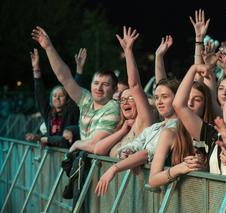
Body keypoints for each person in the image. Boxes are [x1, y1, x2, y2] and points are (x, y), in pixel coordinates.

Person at [31, 26, 120, 151]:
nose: (99, 88)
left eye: (105, 85)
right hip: (83, 163)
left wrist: (77, 144)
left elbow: (95, 144)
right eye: (96, 83)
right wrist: (48, 48)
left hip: (99, 167)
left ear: (114, 89)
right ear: (91, 85)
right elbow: (65, 78)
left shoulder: (112, 107)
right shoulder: (87, 100)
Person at [95, 77, 179, 196]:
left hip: (174, 194)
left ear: (177, 99)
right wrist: (128, 154)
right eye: (157, 97)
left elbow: (147, 153)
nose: (159, 102)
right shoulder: (154, 128)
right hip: (154, 196)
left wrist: (114, 168)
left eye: (165, 97)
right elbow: (132, 145)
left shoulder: (178, 127)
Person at [93, 26, 153, 157]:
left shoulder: (145, 122)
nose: (125, 101)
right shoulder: (120, 127)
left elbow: (135, 85)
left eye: (131, 98)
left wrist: (128, 51)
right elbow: (98, 150)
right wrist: (123, 130)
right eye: (122, 99)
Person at [149, 80, 213, 187]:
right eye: (186, 99)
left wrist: (204, 169)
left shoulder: (213, 134)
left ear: (205, 105)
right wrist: (179, 169)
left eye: (197, 99)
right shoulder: (170, 133)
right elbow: (153, 180)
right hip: (174, 201)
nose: (189, 103)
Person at [25, 48, 86, 148]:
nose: (57, 98)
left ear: (67, 99)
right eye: (54, 95)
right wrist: (36, 69)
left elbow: (75, 91)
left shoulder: (71, 111)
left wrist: (79, 71)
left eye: (61, 95)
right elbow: (40, 95)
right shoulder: (48, 113)